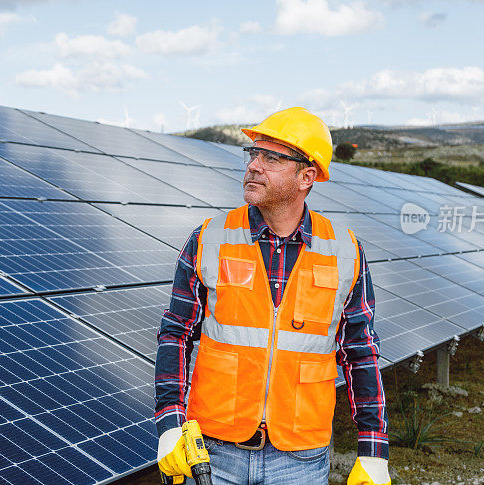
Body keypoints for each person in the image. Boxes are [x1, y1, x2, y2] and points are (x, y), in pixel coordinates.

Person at [155, 107, 390, 485]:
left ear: (306, 176)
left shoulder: (345, 252)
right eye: (253, 154)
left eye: (272, 157)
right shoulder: (208, 238)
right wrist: (169, 423)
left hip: (299, 459)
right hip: (214, 450)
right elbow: (175, 333)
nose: (254, 166)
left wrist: (374, 450)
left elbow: (360, 353)